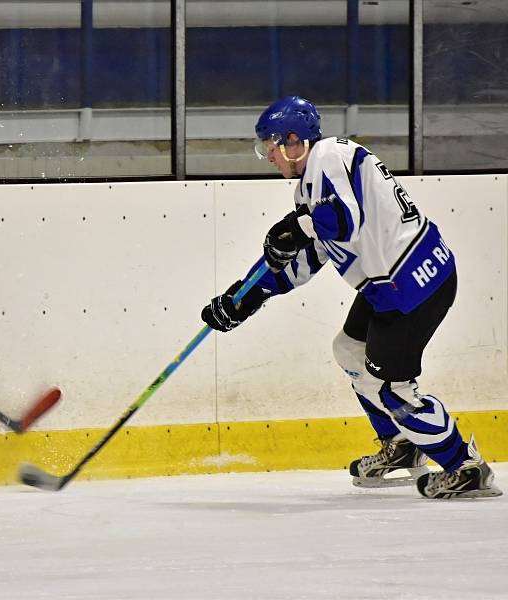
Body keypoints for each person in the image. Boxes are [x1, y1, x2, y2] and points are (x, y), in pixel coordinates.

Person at [201, 96, 501, 499]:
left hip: (410, 284)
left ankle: (465, 467)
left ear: (294, 141)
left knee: (391, 388)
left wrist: (296, 226)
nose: (268, 157)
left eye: (270, 147)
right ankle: (405, 444)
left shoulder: (328, 158)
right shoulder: (316, 181)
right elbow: (308, 256)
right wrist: (245, 297)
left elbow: (343, 220)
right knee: (348, 350)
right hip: (395, 281)